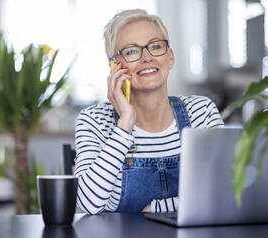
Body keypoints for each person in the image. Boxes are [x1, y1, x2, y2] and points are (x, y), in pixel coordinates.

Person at [74, 9, 224, 215]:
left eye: (155, 46)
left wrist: (160, 208)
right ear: (114, 66)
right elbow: (88, 204)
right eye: (132, 51)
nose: (147, 57)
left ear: (170, 57)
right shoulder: (94, 120)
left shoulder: (201, 111)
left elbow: (225, 191)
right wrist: (124, 124)